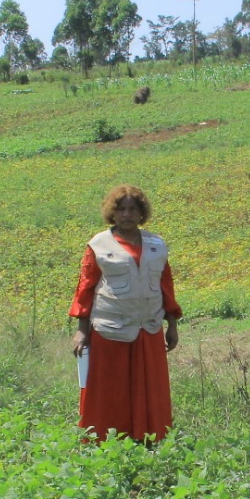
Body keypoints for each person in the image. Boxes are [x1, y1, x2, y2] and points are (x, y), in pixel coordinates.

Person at [70, 185, 181, 442]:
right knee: (111, 390)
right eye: (121, 209)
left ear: (142, 213)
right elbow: (85, 289)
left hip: (149, 329)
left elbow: (166, 286)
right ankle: (105, 441)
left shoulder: (156, 245)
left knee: (149, 388)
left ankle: (149, 437)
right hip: (111, 329)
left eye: (133, 209)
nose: (127, 215)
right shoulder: (99, 245)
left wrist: (172, 324)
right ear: (113, 212)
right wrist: (81, 330)